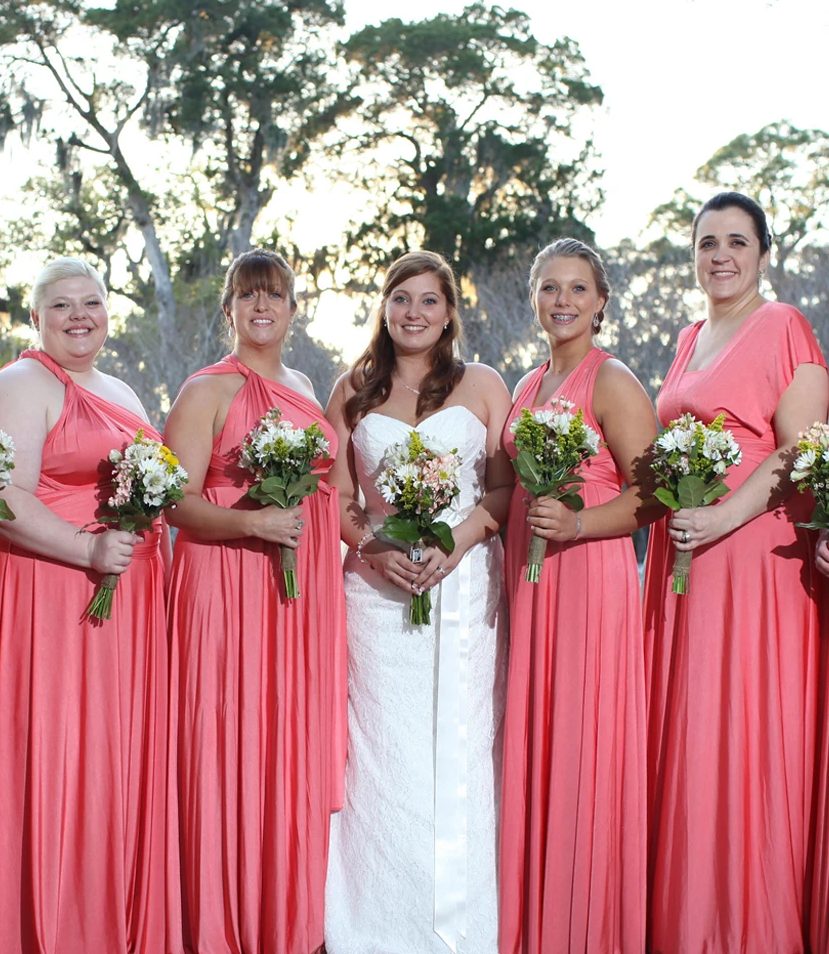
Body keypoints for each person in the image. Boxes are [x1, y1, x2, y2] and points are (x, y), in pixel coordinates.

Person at [0, 258, 178, 954]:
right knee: (60, 758)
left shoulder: (119, 388)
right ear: (36, 318)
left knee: (114, 767)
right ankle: (48, 927)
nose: (79, 315)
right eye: (61, 306)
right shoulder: (20, 384)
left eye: (91, 302)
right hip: (53, 599)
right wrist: (86, 552)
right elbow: (0, 497)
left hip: (130, 603)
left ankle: (110, 920)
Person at [642, 192, 827, 954]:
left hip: (752, 562)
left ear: (763, 254)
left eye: (736, 242)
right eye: (707, 241)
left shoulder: (783, 326)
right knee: (692, 742)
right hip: (684, 565)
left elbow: (803, 450)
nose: (720, 255)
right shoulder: (689, 336)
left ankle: (749, 927)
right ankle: (689, 923)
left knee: (744, 737)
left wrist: (719, 518)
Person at [322, 250, 511, 954]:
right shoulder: (352, 390)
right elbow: (335, 499)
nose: (414, 313)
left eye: (429, 301)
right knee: (384, 751)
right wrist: (378, 548)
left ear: (449, 312)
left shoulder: (484, 385)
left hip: (462, 586)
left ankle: (459, 923)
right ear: (384, 306)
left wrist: (455, 543)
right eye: (401, 298)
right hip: (376, 595)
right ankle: (373, 923)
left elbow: (500, 490)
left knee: (460, 744)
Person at [163, 248, 346, 954]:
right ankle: (221, 920)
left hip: (296, 600)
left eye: (274, 295)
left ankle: (287, 919)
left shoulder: (304, 385)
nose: (261, 307)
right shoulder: (206, 389)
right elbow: (175, 504)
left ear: (294, 309)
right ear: (230, 310)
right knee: (228, 736)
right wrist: (251, 522)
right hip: (224, 589)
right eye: (247, 296)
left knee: (285, 746)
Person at [498, 238, 657, 954]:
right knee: (533, 738)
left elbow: (651, 496)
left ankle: (585, 927)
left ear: (600, 302)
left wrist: (579, 523)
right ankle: (531, 921)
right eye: (549, 288)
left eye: (577, 289)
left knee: (582, 741)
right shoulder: (528, 384)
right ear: (535, 298)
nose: (562, 301)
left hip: (589, 581)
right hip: (529, 587)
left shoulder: (612, 380)